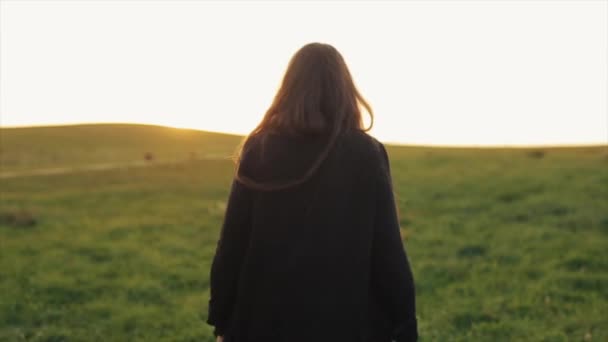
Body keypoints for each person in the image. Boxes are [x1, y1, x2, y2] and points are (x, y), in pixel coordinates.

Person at [206, 42, 418, 342]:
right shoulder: (366, 153)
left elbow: (231, 245)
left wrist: (222, 319)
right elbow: (388, 252)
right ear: (345, 91)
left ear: (289, 88)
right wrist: (405, 325)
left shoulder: (260, 148)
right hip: (345, 325)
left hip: (262, 324)